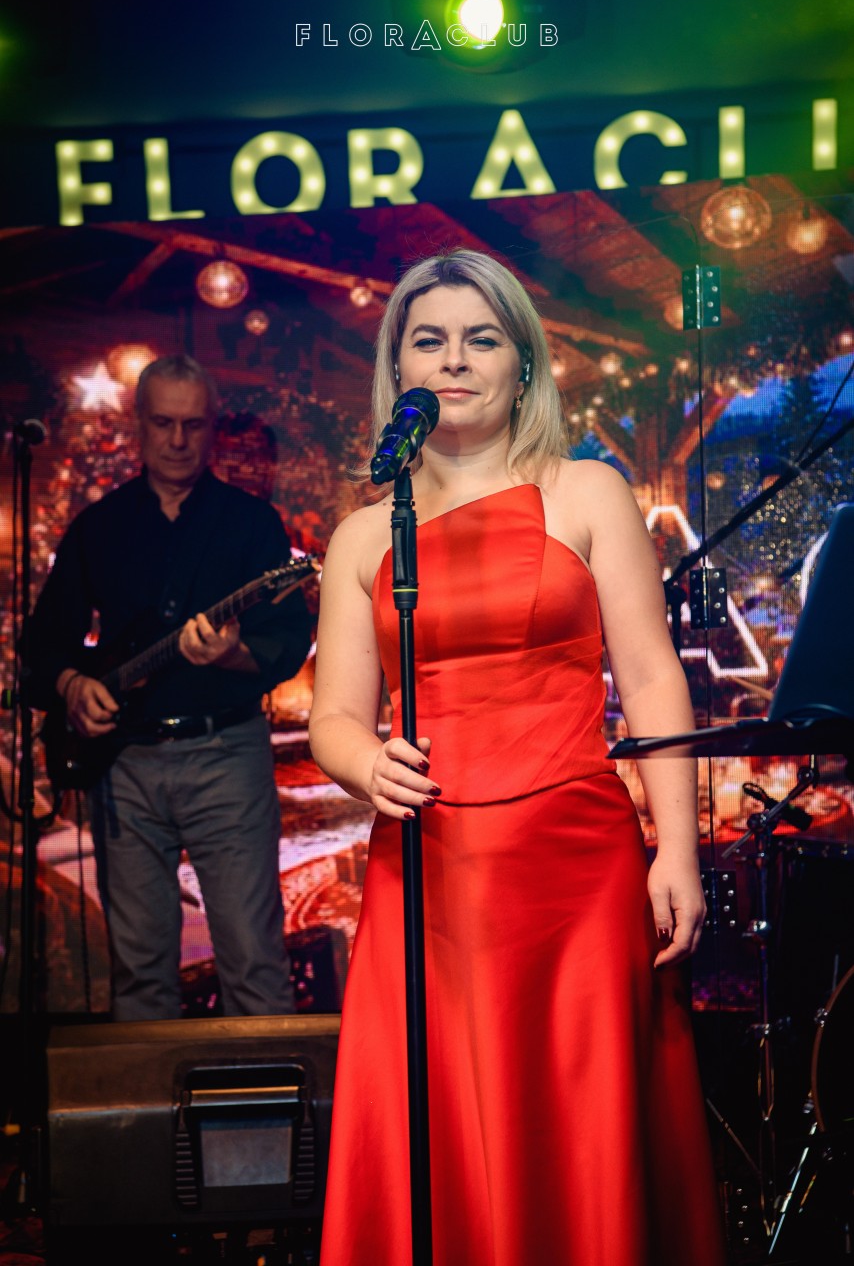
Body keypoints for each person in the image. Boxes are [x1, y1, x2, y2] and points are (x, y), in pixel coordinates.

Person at [308, 251, 728, 1265]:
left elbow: (651, 677)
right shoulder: (363, 534)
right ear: (398, 366)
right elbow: (334, 716)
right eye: (429, 339)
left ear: (522, 362)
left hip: (573, 870)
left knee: (578, 1128)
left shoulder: (585, 490)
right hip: (429, 876)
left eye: (481, 338)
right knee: (441, 1124)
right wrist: (365, 762)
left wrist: (676, 848)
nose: (454, 360)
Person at [27, 354, 312, 1021]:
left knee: (255, 966)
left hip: (226, 757)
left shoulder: (251, 524)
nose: (178, 440)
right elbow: (42, 645)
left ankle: (261, 1096)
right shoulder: (99, 525)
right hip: (124, 765)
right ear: (139, 425)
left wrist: (233, 654)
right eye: (163, 423)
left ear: (212, 427)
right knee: (139, 980)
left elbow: (286, 641)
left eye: (193, 424)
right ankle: (152, 1098)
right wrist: (72, 685)